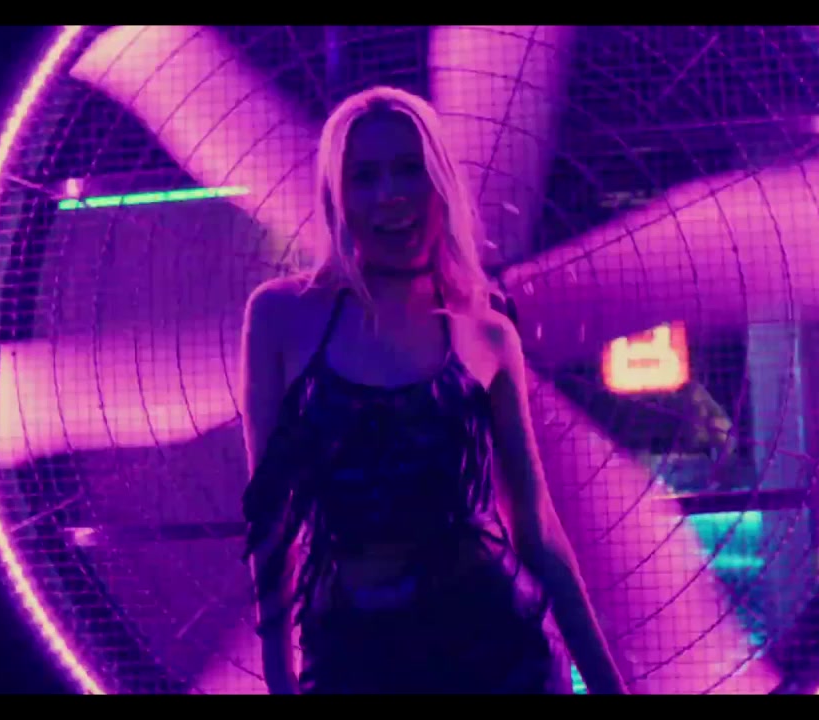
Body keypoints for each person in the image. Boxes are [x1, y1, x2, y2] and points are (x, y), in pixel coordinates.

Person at [239, 85, 627, 695]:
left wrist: (609, 685)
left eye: (408, 169)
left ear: (441, 183)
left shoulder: (488, 333)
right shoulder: (281, 317)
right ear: (337, 197)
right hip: (352, 659)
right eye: (364, 176)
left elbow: (535, 527)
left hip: (498, 654)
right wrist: (276, 676)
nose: (389, 193)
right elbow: (271, 518)